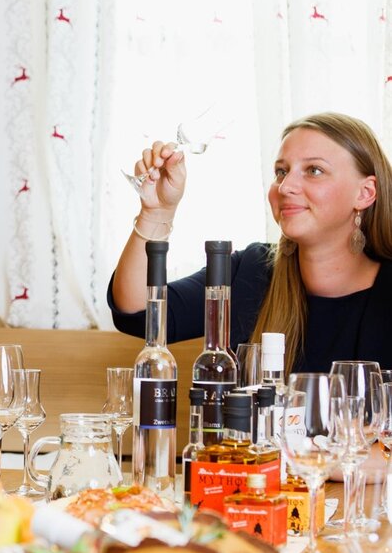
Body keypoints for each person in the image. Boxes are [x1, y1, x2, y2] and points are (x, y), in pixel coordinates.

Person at [109, 111, 392, 373]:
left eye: (314, 170)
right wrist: (157, 212)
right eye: (281, 172)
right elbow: (139, 311)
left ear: (365, 193)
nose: (286, 187)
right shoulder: (253, 270)